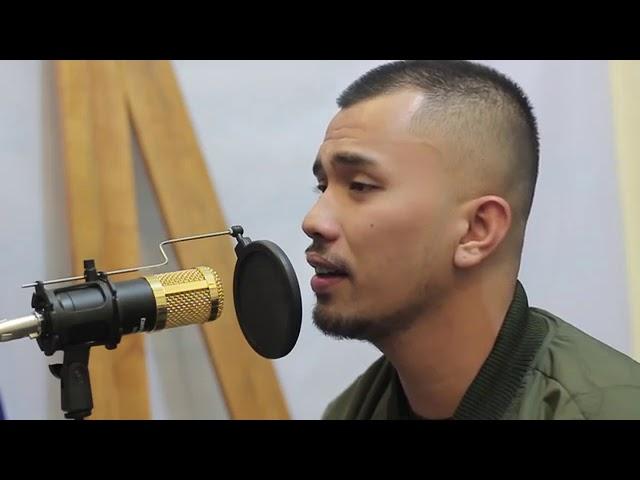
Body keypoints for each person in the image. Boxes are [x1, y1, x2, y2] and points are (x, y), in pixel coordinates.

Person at [302, 60, 640, 420]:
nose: (313, 221)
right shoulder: (350, 411)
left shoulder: (609, 410)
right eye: (322, 187)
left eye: (360, 186)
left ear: (477, 230)